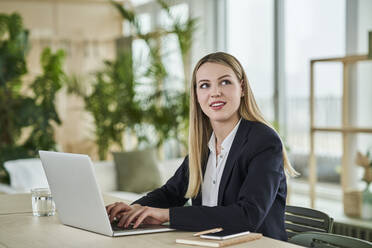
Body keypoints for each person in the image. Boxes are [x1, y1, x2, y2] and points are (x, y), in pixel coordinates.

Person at [106, 52, 297, 241]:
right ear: (197, 95)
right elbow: (172, 192)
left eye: (225, 82)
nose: (215, 92)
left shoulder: (263, 141)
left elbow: (247, 217)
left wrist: (167, 215)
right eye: (205, 85)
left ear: (242, 88)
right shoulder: (204, 145)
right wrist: (135, 209)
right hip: (208, 243)